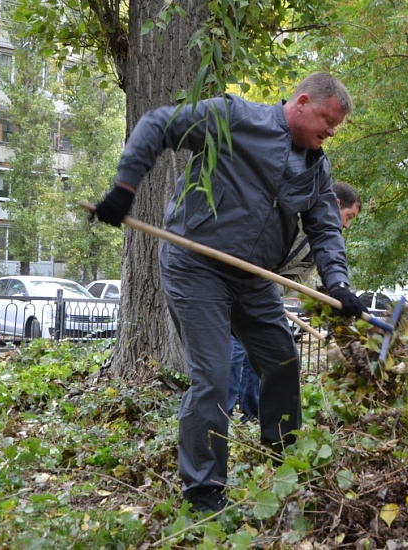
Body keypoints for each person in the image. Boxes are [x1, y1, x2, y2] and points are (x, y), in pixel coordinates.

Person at [90, 72, 368, 513]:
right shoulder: (233, 117)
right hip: (196, 266)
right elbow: (159, 123)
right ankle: (204, 489)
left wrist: (338, 283)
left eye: (334, 128)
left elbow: (325, 229)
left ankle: (284, 456)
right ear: (301, 103)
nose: (330, 133)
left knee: (281, 359)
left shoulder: (318, 167)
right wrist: (125, 188)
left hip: (254, 276)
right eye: (327, 122)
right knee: (214, 376)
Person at [228, 181, 362, 420]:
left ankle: (251, 413)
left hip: (261, 295)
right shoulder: (295, 216)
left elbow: (296, 277)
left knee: (257, 354)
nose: (347, 225)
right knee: (233, 353)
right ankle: (221, 415)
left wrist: (329, 296)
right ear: (336, 204)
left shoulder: (319, 243)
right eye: (348, 216)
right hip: (236, 285)